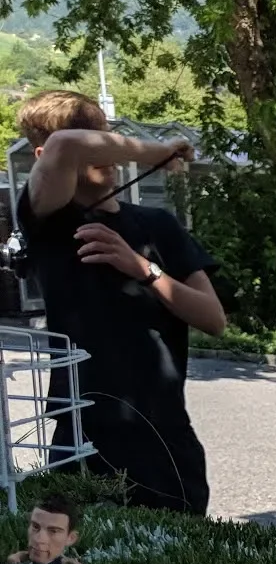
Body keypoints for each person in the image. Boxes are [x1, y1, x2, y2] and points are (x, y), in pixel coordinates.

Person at [14, 90, 226, 514]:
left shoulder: (157, 225)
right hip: (80, 435)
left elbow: (213, 318)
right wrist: (157, 151)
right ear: (41, 156)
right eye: (96, 141)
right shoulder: (46, 220)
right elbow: (64, 146)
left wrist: (142, 269)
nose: (107, 150)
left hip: (163, 434)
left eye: (108, 136)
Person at [6, 494, 85, 564]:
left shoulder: (55, 560)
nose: (39, 539)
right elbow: (23, 555)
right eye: (35, 527)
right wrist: (15, 557)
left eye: (53, 531)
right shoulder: (32, 554)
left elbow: (66, 562)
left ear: (70, 538)